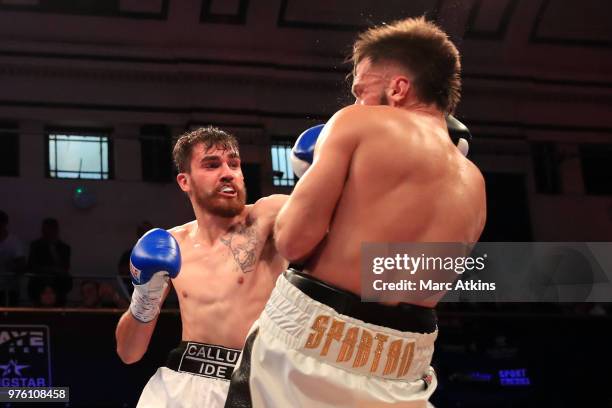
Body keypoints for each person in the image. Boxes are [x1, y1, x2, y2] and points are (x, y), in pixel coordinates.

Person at [225, 17, 487, 407]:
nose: (355, 102)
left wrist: (302, 194)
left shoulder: (357, 123)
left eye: (361, 90)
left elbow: (294, 242)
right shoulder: (475, 181)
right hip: (404, 364)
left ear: (398, 88)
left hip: (308, 344)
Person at [115, 126, 288, 408]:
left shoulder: (268, 217)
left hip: (255, 382)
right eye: (212, 164)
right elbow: (129, 353)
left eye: (234, 163)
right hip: (182, 385)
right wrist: (144, 296)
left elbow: (352, 229)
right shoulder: (172, 245)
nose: (227, 172)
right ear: (185, 181)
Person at [27, 218, 72, 307]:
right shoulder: (36, 245)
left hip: (59, 287)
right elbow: (32, 266)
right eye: (45, 229)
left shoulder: (64, 248)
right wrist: (52, 270)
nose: (48, 232)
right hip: (39, 286)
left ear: (56, 230)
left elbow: (65, 267)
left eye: (51, 229)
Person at [0, 210, 26, 306]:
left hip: (9, 289)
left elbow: (22, 265)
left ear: (4, 224)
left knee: (10, 318)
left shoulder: (14, 242)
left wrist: (12, 265)